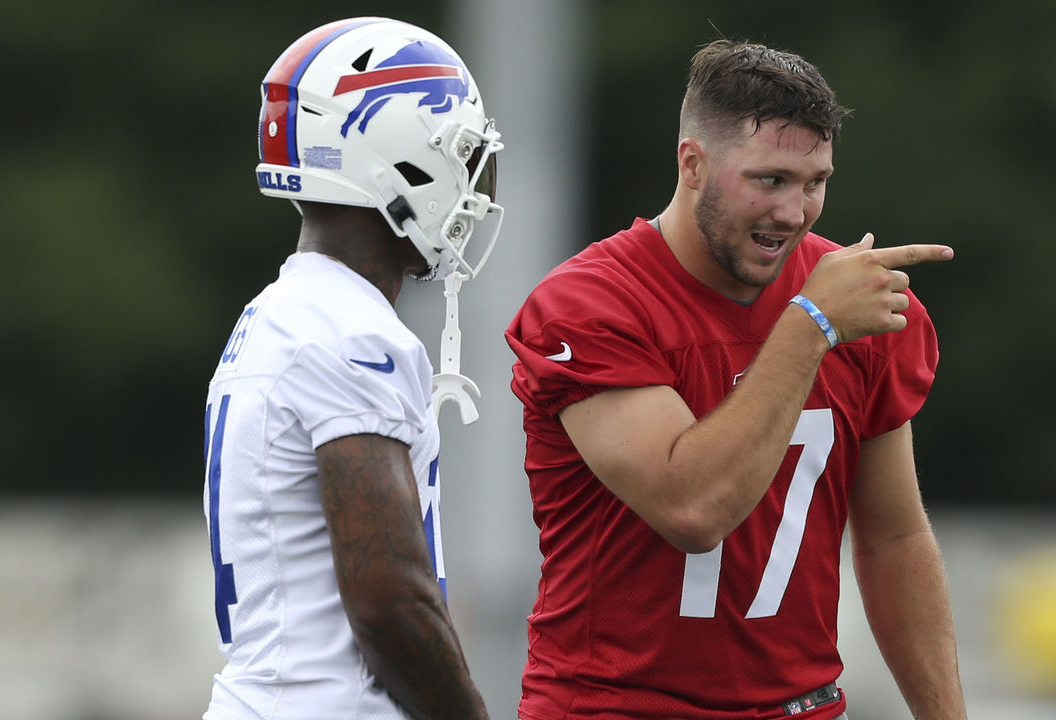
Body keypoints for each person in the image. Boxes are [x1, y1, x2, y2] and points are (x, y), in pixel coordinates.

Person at [505, 39, 966, 720]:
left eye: (814, 183)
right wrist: (810, 327)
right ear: (692, 163)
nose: (794, 211)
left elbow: (893, 536)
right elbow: (694, 510)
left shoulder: (851, 299)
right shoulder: (590, 303)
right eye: (770, 180)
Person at [201, 17, 503, 720]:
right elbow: (389, 599)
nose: (474, 188)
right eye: (462, 156)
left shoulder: (281, 314)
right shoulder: (348, 332)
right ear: (401, 162)